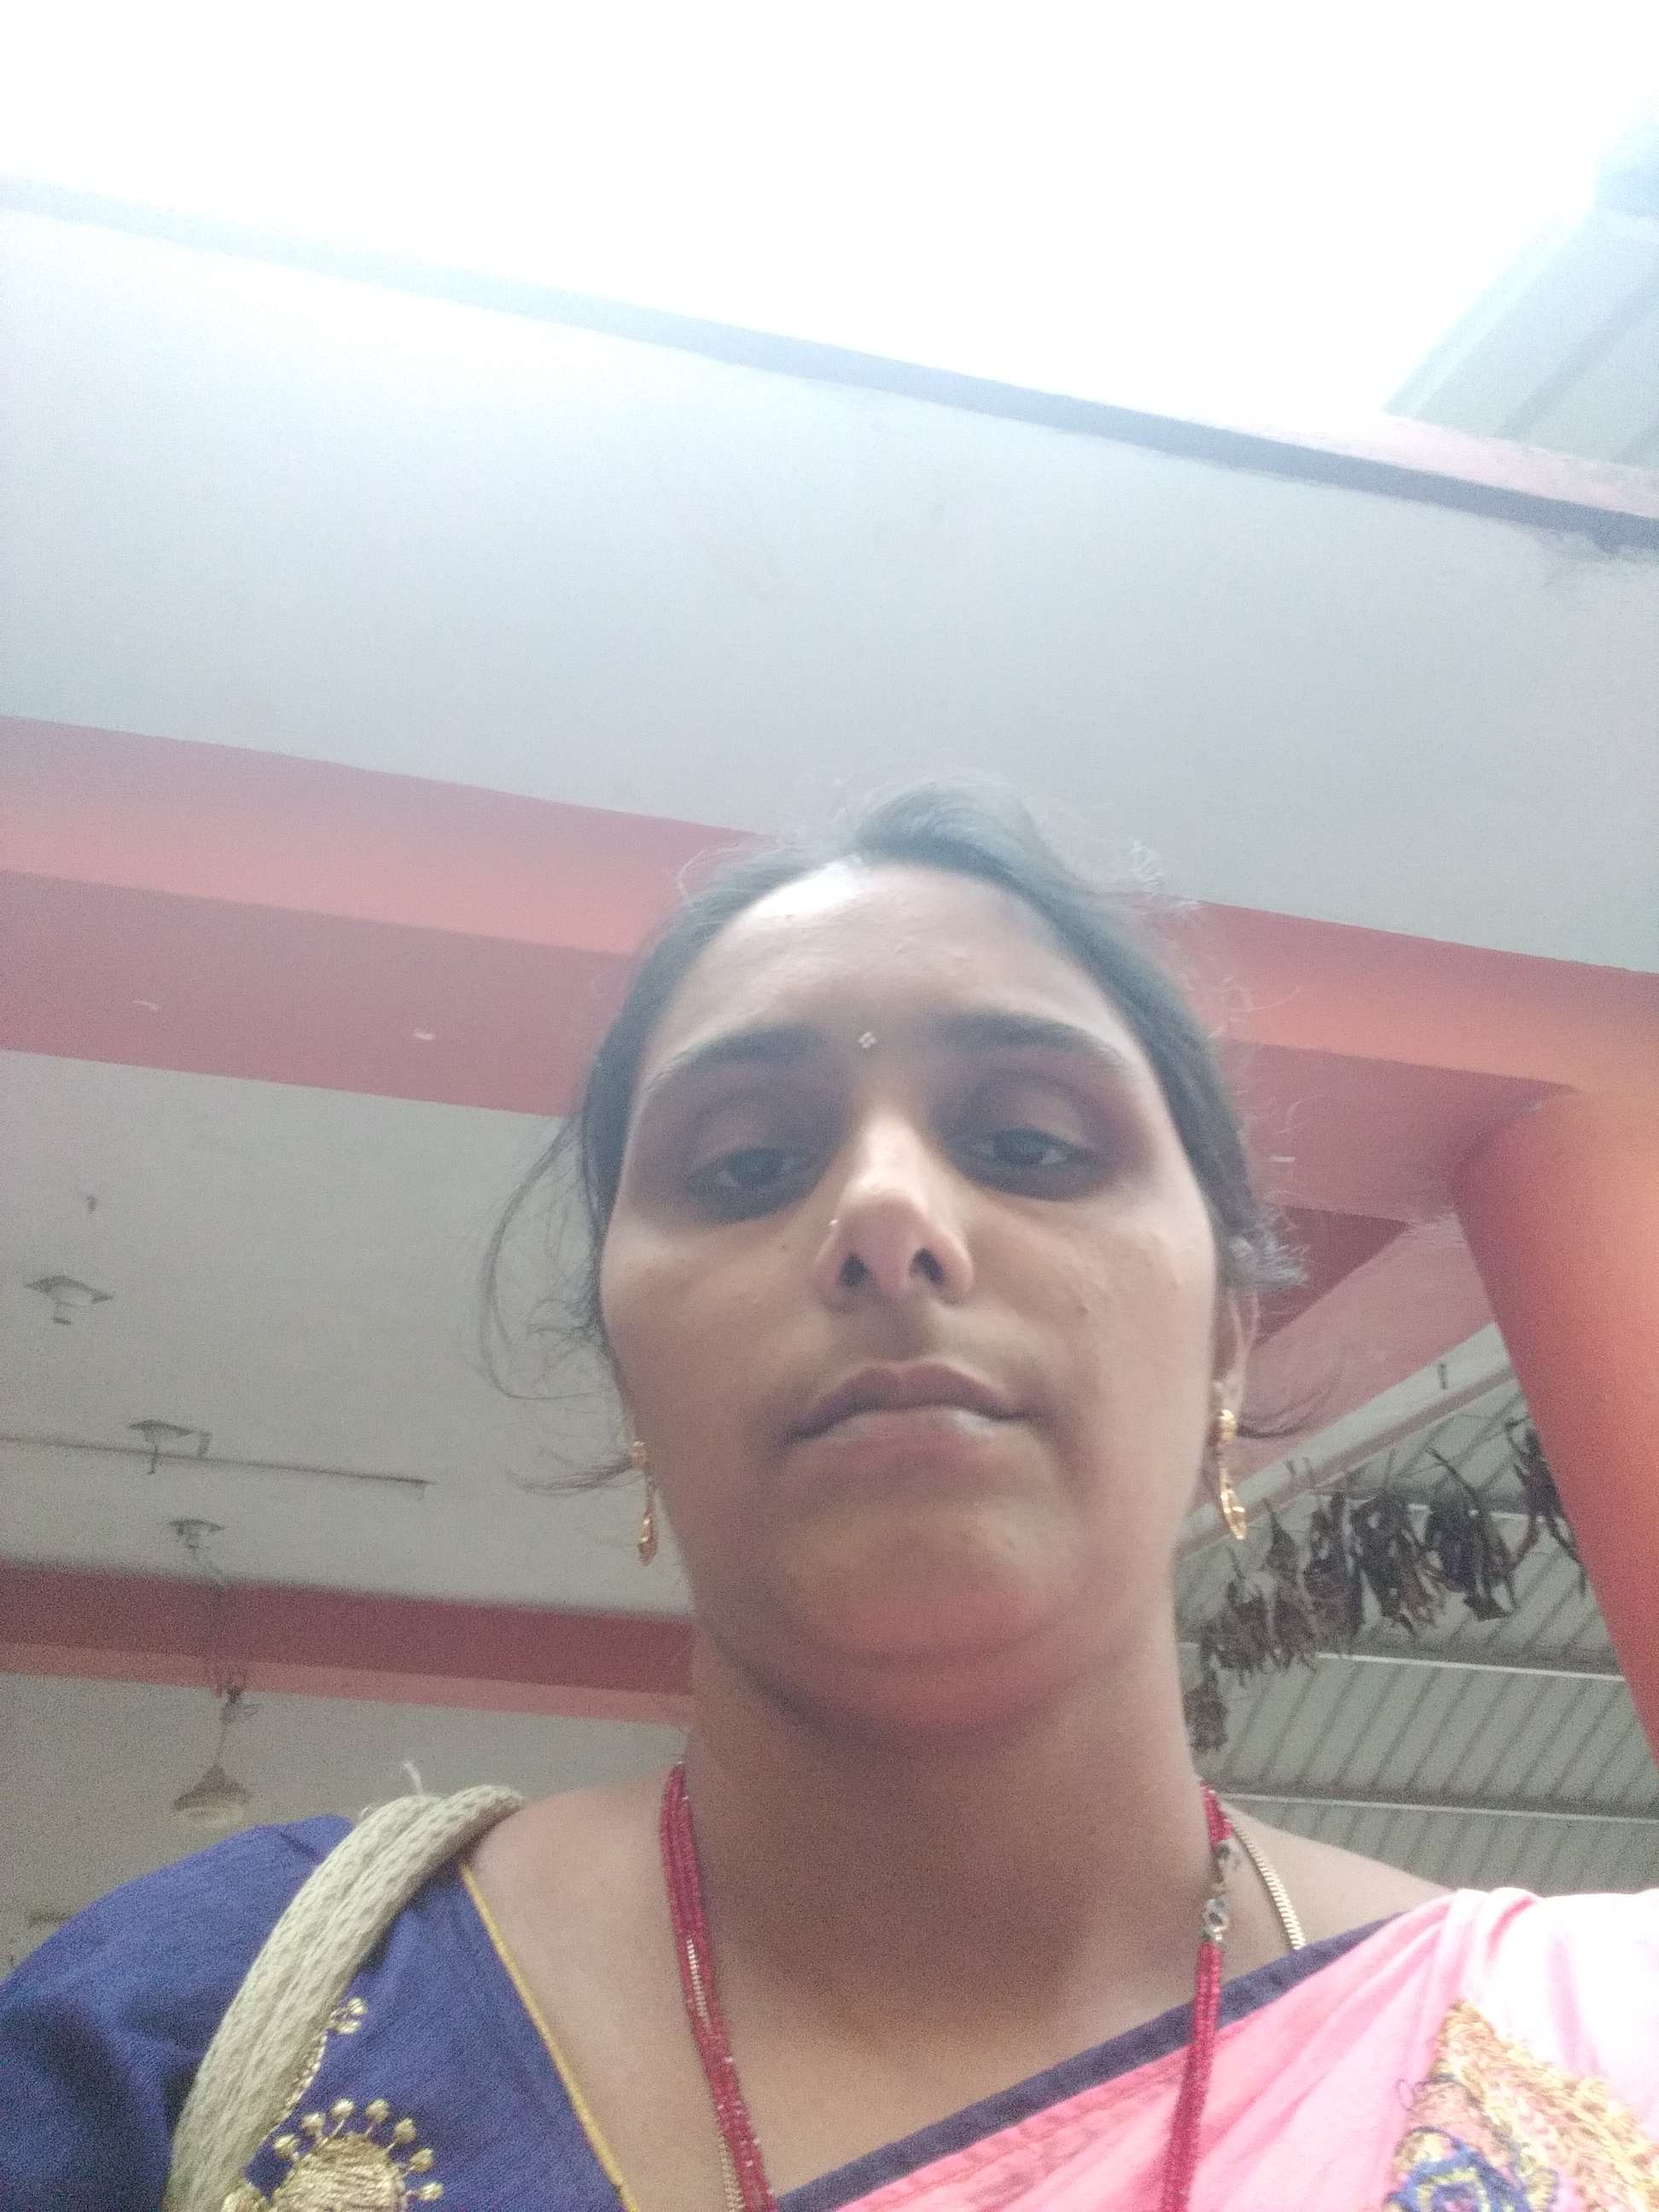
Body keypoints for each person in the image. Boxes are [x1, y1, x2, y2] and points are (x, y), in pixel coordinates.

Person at [4, 787, 1655, 2212]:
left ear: (1228, 1331)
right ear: (631, 1382)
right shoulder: (214, 2007)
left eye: (1029, 1141)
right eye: (744, 1166)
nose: (885, 1212)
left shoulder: (1593, 2045)